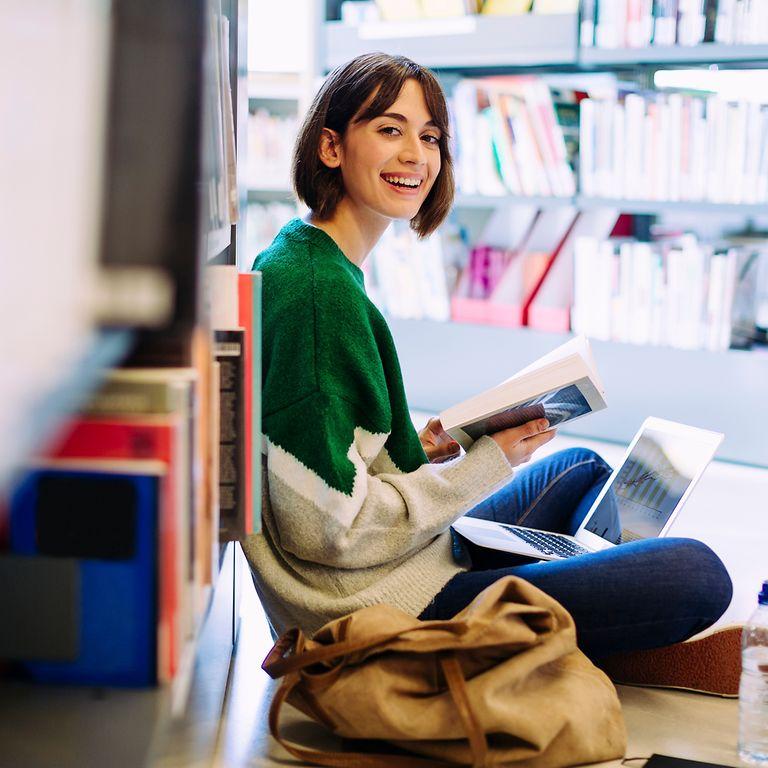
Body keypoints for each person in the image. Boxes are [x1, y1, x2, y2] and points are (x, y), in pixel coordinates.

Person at [243, 52, 733, 664]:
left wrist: (418, 450)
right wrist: (484, 465)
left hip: (393, 565)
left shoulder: (306, 259)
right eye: (389, 129)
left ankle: (576, 600)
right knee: (696, 573)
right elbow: (323, 529)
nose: (415, 156)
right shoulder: (319, 296)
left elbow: (324, 453)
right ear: (331, 146)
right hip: (373, 610)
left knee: (577, 466)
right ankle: (595, 612)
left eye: (430, 137)